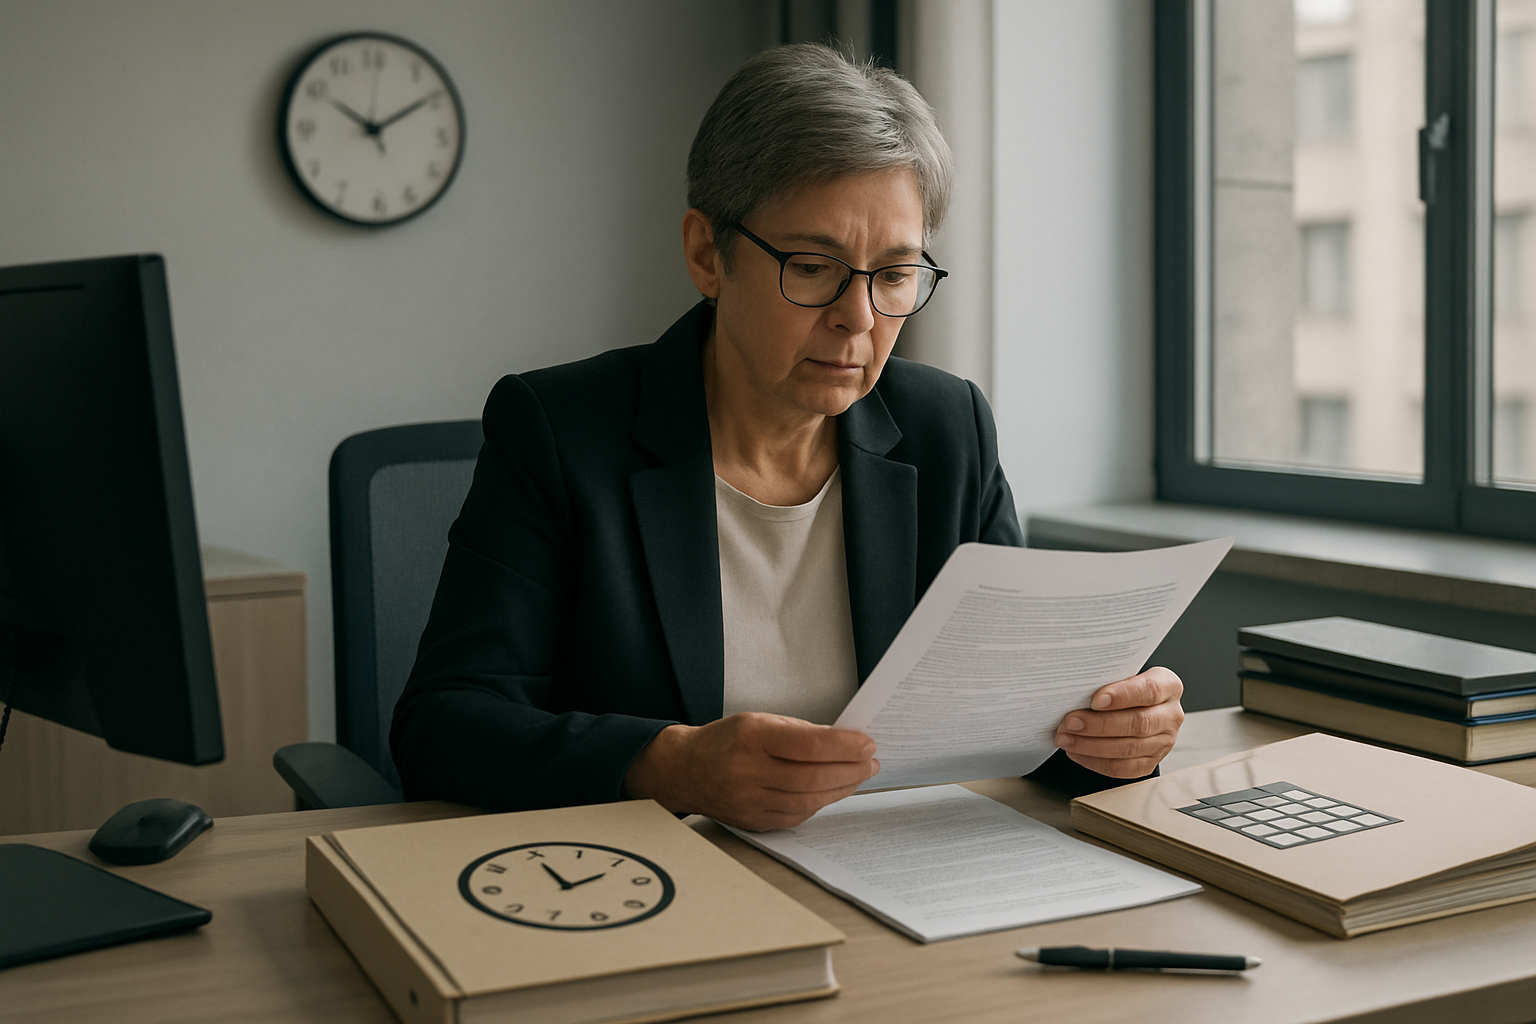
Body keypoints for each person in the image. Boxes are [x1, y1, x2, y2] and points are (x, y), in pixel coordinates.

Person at [391, 44, 1184, 832]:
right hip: (654, 881)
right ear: (708, 254)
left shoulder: (948, 430)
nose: (860, 318)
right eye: (813, 266)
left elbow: (1011, 713)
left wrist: (1110, 738)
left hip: (895, 866)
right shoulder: (562, 430)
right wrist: (671, 765)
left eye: (896, 274)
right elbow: (443, 725)